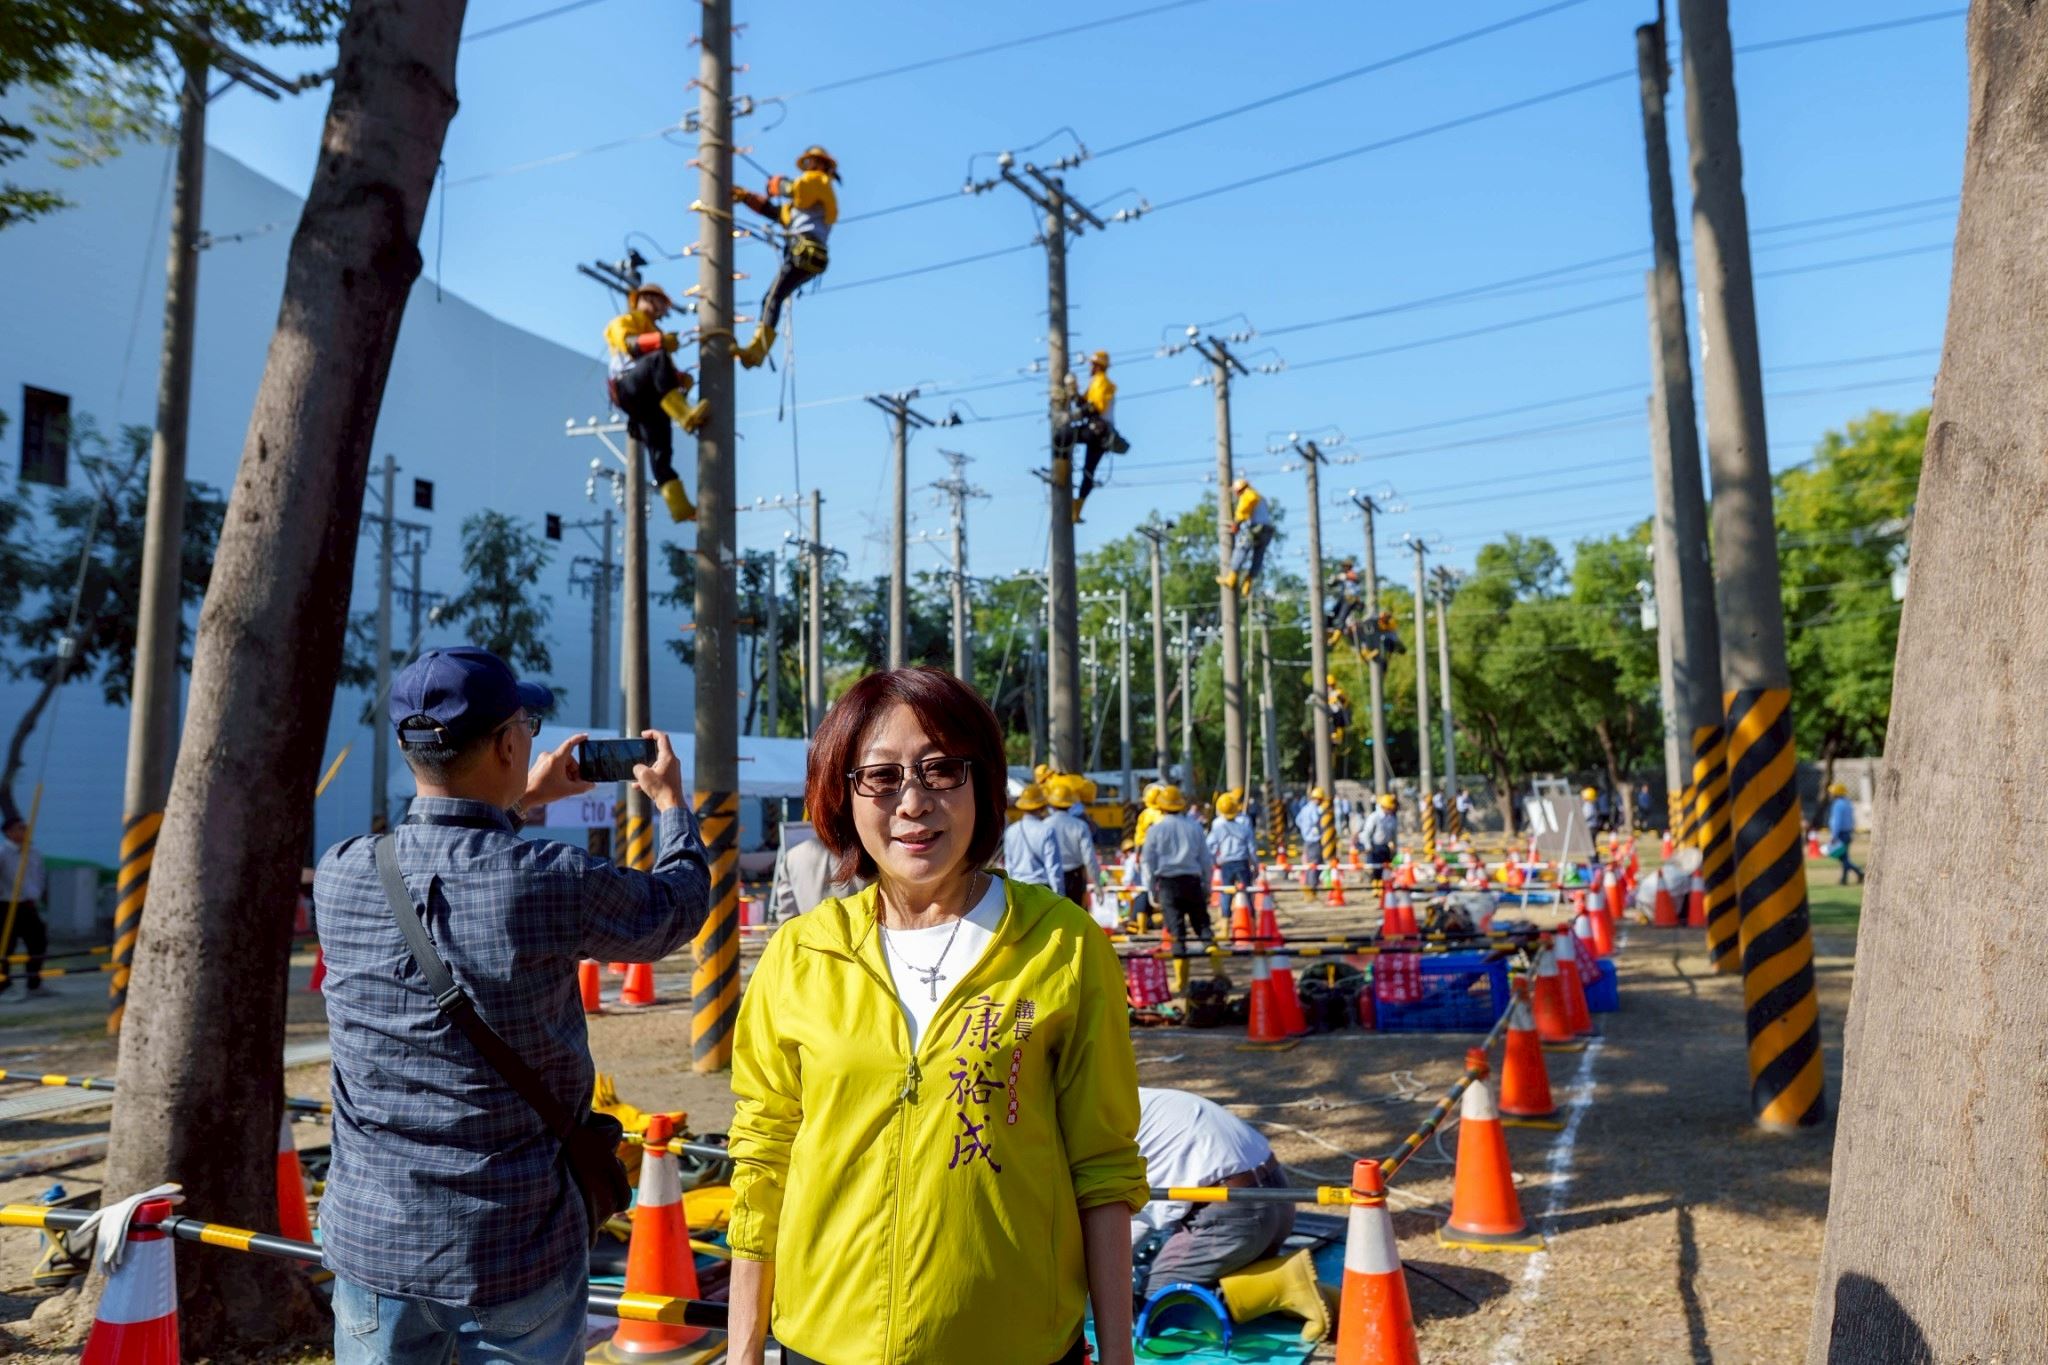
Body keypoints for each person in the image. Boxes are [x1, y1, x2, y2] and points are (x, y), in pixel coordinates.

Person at [725, 667, 1147, 1365]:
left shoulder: (1062, 945)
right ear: (843, 794)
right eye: (881, 777)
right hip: (824, 1343)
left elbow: (1103, 1167)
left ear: (983, 783)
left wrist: (1119, 1355)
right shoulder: (800, 954)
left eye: (942, 769)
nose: (914, 802)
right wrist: (742, 1351)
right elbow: (763, 1157)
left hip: (1018, 1347)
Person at [316, 646, 712, 1364]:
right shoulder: (547, 879)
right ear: (506, 744)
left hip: (374, 1241)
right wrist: (670, 806)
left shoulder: (340, 873)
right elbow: (675, 908)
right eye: (526, 726)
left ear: (408, 747)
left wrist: (523, 800)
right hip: (515, 1245)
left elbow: (452, 862)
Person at [1131, 1089, 1325, 1341]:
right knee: (1209, 1276)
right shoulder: (1125, 1097)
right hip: (1276, 1196)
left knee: (1156, 1305)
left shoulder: (1093, 1126)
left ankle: (1279, 1287)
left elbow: (1121, 1221)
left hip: (1237, 1215)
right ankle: (1295, 1287)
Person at [603, 281, 709, 523]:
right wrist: (659, 342)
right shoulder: (625, 322)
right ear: (639, 300)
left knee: (661, 451)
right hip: (628, 386)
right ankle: (684, 415)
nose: (656, 305)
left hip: (650, 400)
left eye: (660, 301)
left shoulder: (655, 333)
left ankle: (680, 507)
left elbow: (661, 374)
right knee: (657, 357)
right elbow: (630, 345)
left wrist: (680, 379)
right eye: (652, 299)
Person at [732, 145, 841, 369]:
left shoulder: (819, 181)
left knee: (772, 297)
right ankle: (757, 350)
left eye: (814, 161)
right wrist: (747, 197)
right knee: (774, 297)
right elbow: (777, 213)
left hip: (805, 251)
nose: (811, 165)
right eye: (809, 161)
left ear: (823, 165)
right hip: (807, 255)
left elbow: (794, 188)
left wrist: (779, 185)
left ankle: (757, 350)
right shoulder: (803, 203)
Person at [1141, 785, 1214, 993]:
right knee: (1204, 927)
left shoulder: (1155, 830)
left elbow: (1147, 862)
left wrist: (1151, 890)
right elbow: (1206, 860)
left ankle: (1181, 981)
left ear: (1161, 807)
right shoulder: (1195, 827)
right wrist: (1207, 885)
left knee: (1176, 932)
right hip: (1192, 882)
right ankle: (1219, 970)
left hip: (1168, 884)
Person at [1065, 351, 1131, 523]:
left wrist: (1074, 412)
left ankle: (1061, 474)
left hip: (1097, 431)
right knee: (1089, 471)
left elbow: (1095, 408)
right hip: (1101, 434)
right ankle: (1076, 509)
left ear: (1098, 366)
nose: (1090, 367)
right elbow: (1085, 403)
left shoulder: (1102, 382)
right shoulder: (1096, 382)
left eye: (1092, 364)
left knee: (1063, 437)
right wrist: (1074, 393)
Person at [769, 824, 866, 924]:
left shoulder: (792, 857)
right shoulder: (865, 850)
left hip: (811, 931)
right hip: (860, 930)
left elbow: (787, 918)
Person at [0, 817, 47, 996]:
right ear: (9, 832)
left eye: (25, 828)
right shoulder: (3, 853)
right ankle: (3, 985)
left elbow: (39, 875)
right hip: (6, 905)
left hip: (27, 904)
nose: (25, 832)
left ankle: (34, 984)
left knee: (38, 942)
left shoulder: (33, 852)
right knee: (5, 946)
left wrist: (37, 894)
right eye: (20, 828)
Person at [1045, 775, 1102, 907]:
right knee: (1076, 914)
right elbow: (1089, 858)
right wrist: (1097, 883)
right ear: (1070, 804)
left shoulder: (1044, 826)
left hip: (1049, 877)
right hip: (1075, 878)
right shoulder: (1080, 826)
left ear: (1052, 804)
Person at [1003, 781, 1065, 894]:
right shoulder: (1047, 831)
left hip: (1017, 888)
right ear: (1042, 807)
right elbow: (1053, 868)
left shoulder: (1011, 831)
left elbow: (1009, 866)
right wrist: (1059, 894)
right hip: (1041, 889)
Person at [1217, 478, 1274, 594]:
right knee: (1258, 555)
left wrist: (1236, 524)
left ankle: (1231, 578)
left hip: (1257, 529)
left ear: (1239, 490)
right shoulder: (1260, 497)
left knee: (1241, 548)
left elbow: (1242, 511)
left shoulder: (1248, 495)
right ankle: (1248, 582)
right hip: (1267, 530)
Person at [1206, 790, 1256, 893]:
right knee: (1247, 891)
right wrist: (1255, 863)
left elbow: (1210, 846)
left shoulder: (1217, 825)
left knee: (1226, 891)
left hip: (1226, 863)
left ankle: (1226, 904)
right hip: (1242, 862)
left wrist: (1214, 861)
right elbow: (1252, 848)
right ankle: (1249, 903)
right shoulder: (1244, 823)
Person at [1825, 782, 1863, 884]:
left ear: (1836, 793)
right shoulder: (1847, 803)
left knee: (1842, 858)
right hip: (1847, 833)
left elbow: (1836, 822)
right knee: (1844, 857)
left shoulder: (1837, 805)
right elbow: (1852, 819)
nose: (1830, 794)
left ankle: (1859, 872)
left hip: (1840, 834)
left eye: (1832, 793)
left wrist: (1834, 836)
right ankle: (1844, 879)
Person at [1363, 794, 1399, 881]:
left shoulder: (1392, 819)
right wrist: (1368, 846)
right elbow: (1367, 833)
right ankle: (1376, 886)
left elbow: (1394, 835)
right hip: (1375, 848)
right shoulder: (1374, 817)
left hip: (1386, 848)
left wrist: (1394, 847)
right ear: (1384, 807)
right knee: (1376, 872)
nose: (1391, 810)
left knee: (1386, 871)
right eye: (1389, 808)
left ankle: (1384, 887)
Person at [1294, 787, 1327, 873]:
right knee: (1314, 864)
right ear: (1318, 799)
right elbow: (1316, 820)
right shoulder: (1315, 809)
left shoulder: (1305, 808)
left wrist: (1305, 829)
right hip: (1314, 840)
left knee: (1308, 863)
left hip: (1306, 840)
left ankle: (1310, 880)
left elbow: (1297, 820)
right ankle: (1313, 881)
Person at [1319, 674, 1352, 746]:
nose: (1329, 687)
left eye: (1331, 685)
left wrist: (1338, 699)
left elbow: (1344, 702)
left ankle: (1336, 737)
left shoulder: (1338, 692)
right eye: (1328, 685)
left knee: (1335, 725)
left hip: (1337, 716)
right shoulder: (1324, 695)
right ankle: (1332, 737)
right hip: (1330, 718)